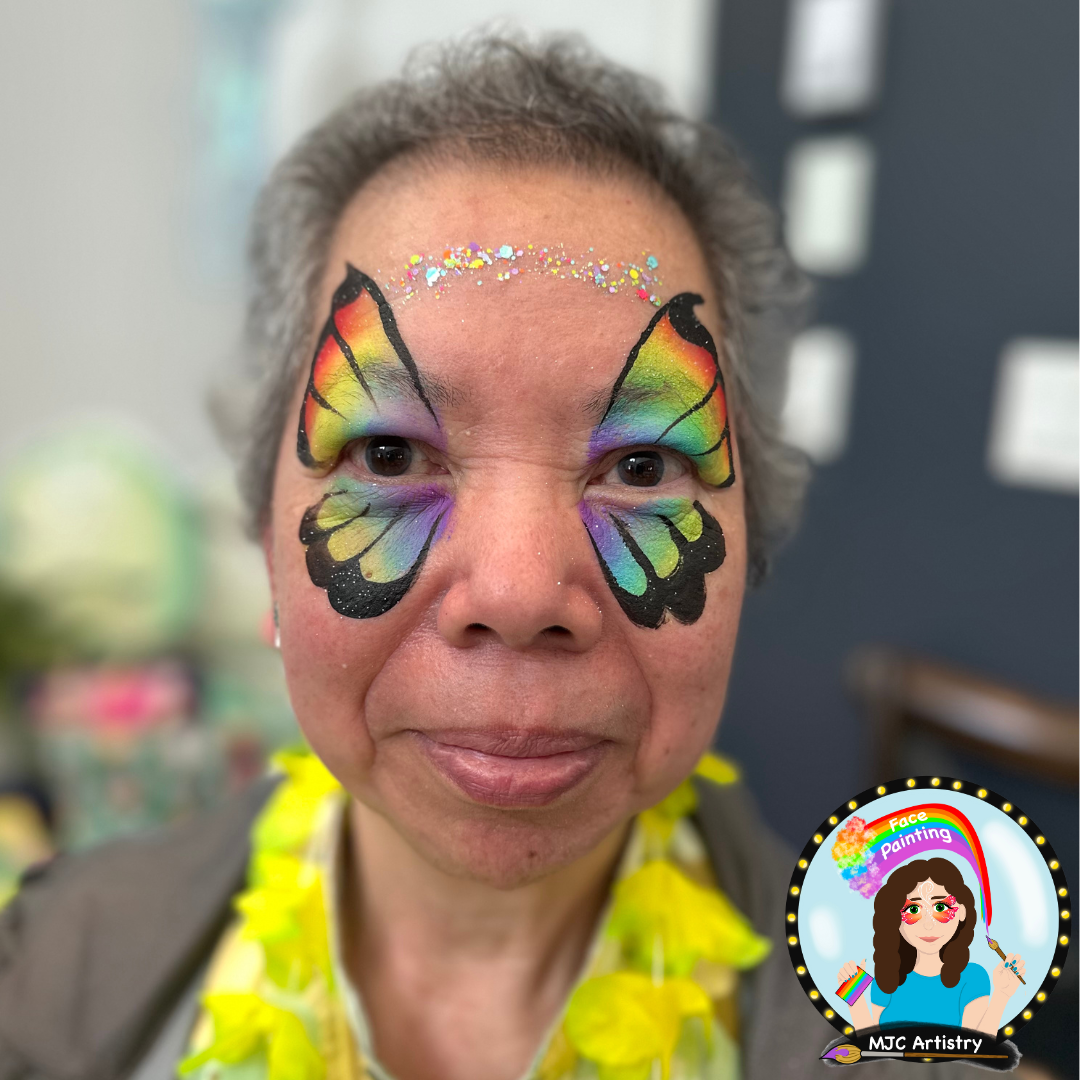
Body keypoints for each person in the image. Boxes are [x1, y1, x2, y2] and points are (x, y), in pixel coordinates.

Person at [0, 34, 971, 1080]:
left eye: (643, 466)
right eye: (387, 452)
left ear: (751, 553)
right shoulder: (47, 975)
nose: (516, 593)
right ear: (267, 537)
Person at [837, 857, 1025, 1034]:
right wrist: (854, 995)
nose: (928, 924)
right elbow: (873, 1047)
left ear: (961, 912)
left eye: (941, 908)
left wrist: (1002, 995)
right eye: (913, 910)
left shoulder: (974, 978)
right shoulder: (886, 977)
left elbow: (975, 1049)